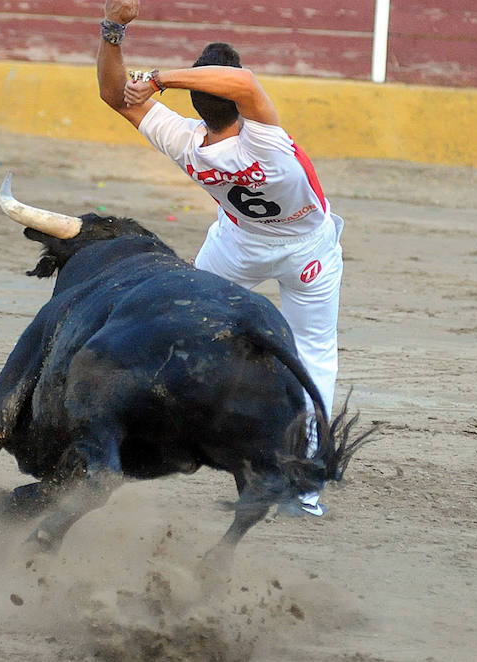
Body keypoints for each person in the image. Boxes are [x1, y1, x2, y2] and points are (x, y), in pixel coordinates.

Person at [96, 1, 344, 517]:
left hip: (236, 248)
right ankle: (305, 488)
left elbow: (112, 95)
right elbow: (248, 85)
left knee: (178, 325)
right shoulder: (268, 144)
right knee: (315, 354)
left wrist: (114, 29)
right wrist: (163, 79)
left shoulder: (187, 142)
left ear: (200, 100)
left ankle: (145, 429)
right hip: (308, 251)